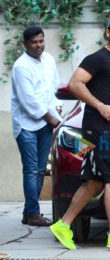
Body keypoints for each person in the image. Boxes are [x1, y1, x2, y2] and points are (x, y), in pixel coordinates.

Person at [50, 15, 110, 251]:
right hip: (98, 130)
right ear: (108, 33)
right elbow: (75, 84)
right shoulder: (97, 59)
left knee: (95, 182)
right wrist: (99, 106)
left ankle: (63, 225)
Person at [11, 26, 62, 226]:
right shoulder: (20, 66)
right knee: (31, 169)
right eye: (34, 42)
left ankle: (29, 212)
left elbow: (54, 88)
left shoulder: (49, 59)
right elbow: (28, 101)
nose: (39, 45)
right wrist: (52, 119)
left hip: (47, 122)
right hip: (26, 125)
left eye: (41, 41)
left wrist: (57, 113)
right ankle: (32, 213)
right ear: (25, 44)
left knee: (41, 170)